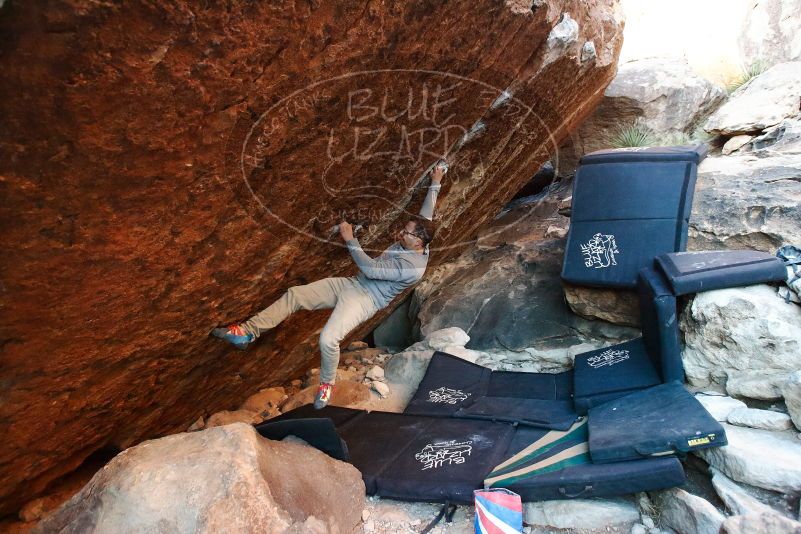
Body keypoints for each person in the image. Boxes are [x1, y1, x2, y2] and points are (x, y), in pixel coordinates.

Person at [211, 163, 446, 408]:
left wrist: (350, 238)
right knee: (296, 295)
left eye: (406, 233)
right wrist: (436, 180)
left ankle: (327, 385)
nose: (401, 233)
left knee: (328, 339)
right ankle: (247, 332)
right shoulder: (421, 236)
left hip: (365, 300)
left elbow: (371, 269)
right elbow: (426, 213)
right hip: (351, 284)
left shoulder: (413, 267)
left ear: (419, 242)